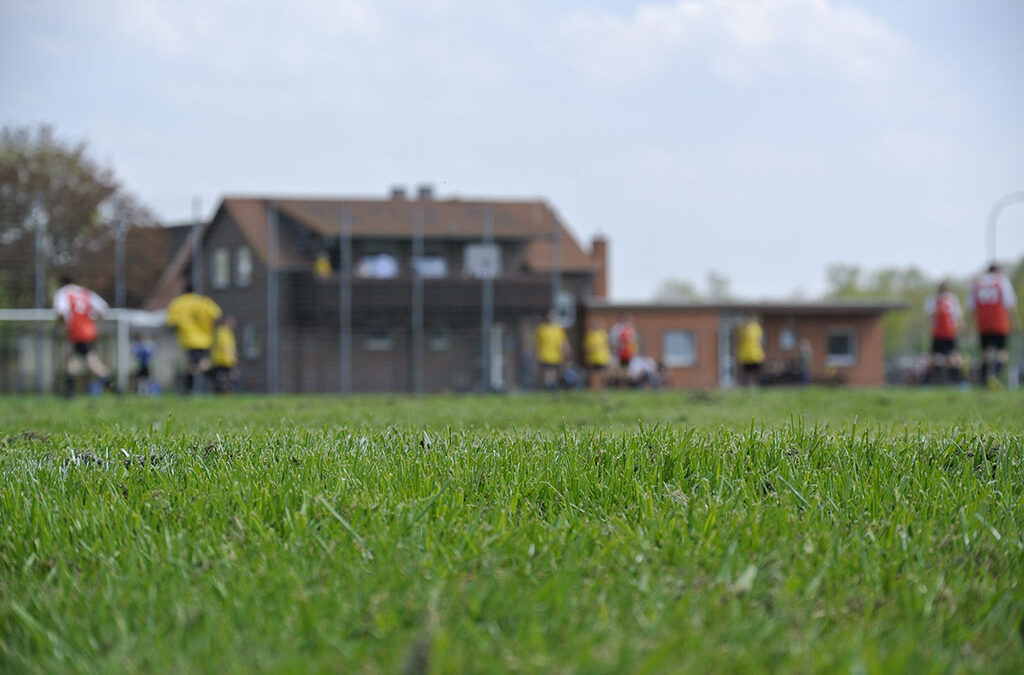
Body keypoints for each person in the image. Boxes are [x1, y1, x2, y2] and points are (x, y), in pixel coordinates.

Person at [53, 275, 115, 395]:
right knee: (69, 356)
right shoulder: (85, 292)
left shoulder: (63, 293)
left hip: (76, 331)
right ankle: (70, 388)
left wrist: (61, 324)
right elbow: (103, 308)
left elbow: (61, 311)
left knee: (91, 360)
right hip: (89, 330)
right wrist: (92, 319)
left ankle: (109, 383)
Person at [166, 283, 222, 394]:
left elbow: (172, 323)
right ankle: (187, 390)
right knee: (192, 365)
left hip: (188, 340)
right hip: (205, 339)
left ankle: (217, 380)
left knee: (200, 364)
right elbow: (216, 316)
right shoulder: (205, 302)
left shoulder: (178, 303)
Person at [969, 263, 1017, 387]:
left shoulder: (977, 283)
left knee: (985, 352)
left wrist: (970, 324)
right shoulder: (1002, 281)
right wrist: (1014, 321)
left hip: (983, 323)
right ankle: (997, 376)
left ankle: (984, 379)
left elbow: (972, 306)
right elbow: (1010, 303)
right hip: (999, 322)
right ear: (997, 271)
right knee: (1001, 352)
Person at [924, 282, 963, 384]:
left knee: (934, 357)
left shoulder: (933, 300)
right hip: (950, 333)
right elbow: (957, 318)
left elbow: (931, 317)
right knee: (953, 356)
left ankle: (927, 380)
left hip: (938, 333)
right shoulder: (952, 300)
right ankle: (957, 379)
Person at [535, 309, 571, 390]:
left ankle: (553, 386)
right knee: (547, 371)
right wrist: (536, 354)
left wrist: (565, 350)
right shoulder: (542, 329)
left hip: (556, 354)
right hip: (545, 354)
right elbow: (537, 343)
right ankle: (547, 387)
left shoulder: (558, 329)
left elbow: (564, 342)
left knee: (555, 371)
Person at [210, 316, 239, 394]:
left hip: (227, 359)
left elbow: (231, 345)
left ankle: (226, 391)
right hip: (222, 359)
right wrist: (231, 355)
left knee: (229, 376)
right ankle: (223, 391)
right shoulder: (222, 332)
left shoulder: (229, 332)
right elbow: (224, 345)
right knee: (224, 376)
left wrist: (234, 353)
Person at [737, 313, 765, 387]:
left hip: (756, 355)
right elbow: (740, 340)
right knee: (747, 373)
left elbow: (759, 341)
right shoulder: (743, 328)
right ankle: (748, 386)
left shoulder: (757, 328)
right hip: (746, 355)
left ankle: (756, 386)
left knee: (756, 372)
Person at [583, 321, 612, 390]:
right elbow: (587, 347)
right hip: (593, 358)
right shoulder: (590, 335)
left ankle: (602, 388)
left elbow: (607, 345)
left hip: (602, 358)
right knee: (594, 374)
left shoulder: (603, 334)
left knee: (603, 374)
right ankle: (594, 388)